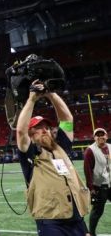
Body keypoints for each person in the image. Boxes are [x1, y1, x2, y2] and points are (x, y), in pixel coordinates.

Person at [16, 80, 90, 236]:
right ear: (31, 135)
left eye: (47, 128)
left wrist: (50, 93)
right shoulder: (30, 153)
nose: (44, 131)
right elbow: (21, 132)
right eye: (37, 129)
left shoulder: (61, 146)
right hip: (51, 221)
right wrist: (31, 99)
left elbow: (67, 120)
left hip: (77, 217)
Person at [83, 127, 111, 236]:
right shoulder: (90, 151)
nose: (100, 137)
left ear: (106, 136)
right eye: (97, 135)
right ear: (94, 137)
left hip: (110, 183)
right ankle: (92, 233)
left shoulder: (110, 147)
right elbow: (87, 171)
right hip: (99, 186)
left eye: (102, 134)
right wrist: (91, 188)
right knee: (97, 212)